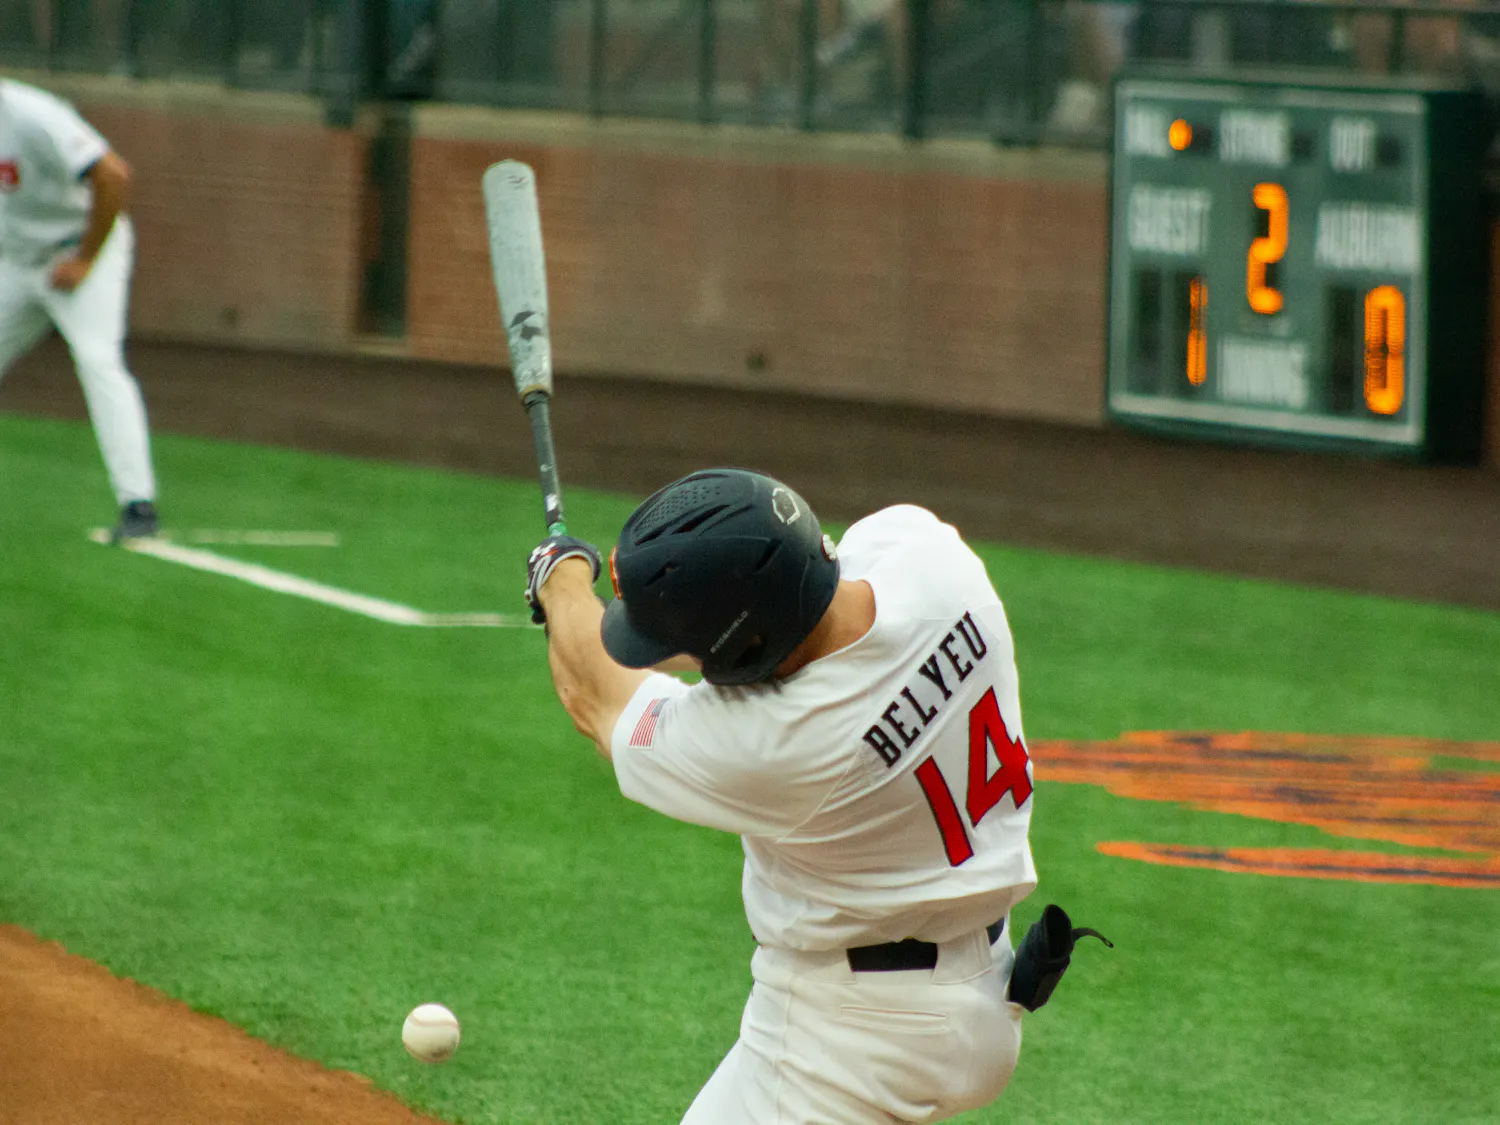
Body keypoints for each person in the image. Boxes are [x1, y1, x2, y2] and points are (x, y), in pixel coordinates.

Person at [525, 467, 1107, 1123]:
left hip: (848, 1043)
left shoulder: (777, 746)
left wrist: (560, 576)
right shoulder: (931, 555)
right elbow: (805, 605)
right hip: (984, 985)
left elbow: (595, 695)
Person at [0, 77, 159, 542]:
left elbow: (113, 173)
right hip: (18, 261)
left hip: (81, 252)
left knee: (98, 360)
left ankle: (139, 505)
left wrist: (87, 258)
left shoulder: (30, 115)